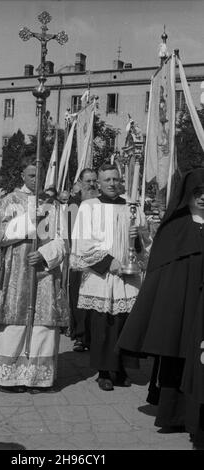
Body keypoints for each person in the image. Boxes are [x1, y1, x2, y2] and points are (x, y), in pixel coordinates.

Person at [117, 168, 204, 443]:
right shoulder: (174, 227)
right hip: (181, 306)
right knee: (178, 357)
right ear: (186, 195)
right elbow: (161, 273)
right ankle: (175, 415)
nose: (202, 198)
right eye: (197, 193)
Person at [0, 154, 69, 393]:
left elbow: (63, 240)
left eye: (39, 175)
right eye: (31, 175)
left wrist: (45, 254)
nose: (35, 179)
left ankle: (36, 377)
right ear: (22, 175)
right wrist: (31, 221)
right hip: (14, 272)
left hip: (43, 272)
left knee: (43, 321)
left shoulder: (53, 204)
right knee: (12, 320)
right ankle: (7, 377)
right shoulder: (8, 201)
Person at [70, 164, 150, 390]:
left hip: (127, 275)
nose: (112, 184)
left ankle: (121, 368)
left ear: (121, 180)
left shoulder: (132, 206)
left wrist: (137, 239)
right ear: (99, 183)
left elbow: (146, 241)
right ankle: (104, 371)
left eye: (116, 179)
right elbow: (83, 241)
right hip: (101, 275)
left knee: (125, 324)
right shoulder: (89, 207)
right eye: (107, 180)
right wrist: (108, 262)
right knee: (103, 324)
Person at [67, 168, 98, 352]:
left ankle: (93, 335)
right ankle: (80, 335)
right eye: (88, 181)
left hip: (99, 257)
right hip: (79, 258)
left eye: (94, 180)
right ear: (80, 182)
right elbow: (69, 233)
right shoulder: (74, 204)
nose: (92, 184)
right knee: (78, 298)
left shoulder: (101, 203)